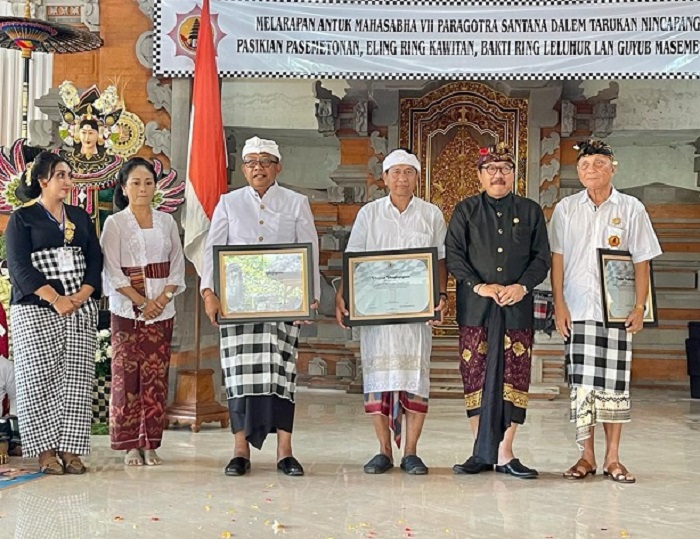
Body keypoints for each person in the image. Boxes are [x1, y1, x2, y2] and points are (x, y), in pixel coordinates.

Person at [201, 136, 320, 477]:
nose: (259, 168)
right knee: (239, 376)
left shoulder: (296, 202)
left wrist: (307, 299)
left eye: (265, 162)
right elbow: (213, 250)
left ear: (277, 166)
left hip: (283, 305)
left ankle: (285, 451)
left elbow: (308, 248)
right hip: (239, 306)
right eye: (252, 162)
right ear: (244, 169)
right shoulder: (229, 203)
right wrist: (210, 293)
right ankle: (240, 450)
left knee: (282, 375)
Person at [551, 139, 661, 484]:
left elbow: (642, 260)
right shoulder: (566, 209)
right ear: (577, 171)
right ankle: (586, 456)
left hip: (617, 311)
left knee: (614, 386)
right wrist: (559, 304)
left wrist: (639, 306)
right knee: (583, 386)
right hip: (578, 308)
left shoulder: (631, 208)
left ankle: (613, 458)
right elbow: (558, 260)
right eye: (584, 165)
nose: (591, 170)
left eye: (599, 164)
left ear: (613, 167)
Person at [335, 149, 448, 475]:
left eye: (408, 172)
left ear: (417, 177)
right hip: (377, 315)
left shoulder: (431, 214)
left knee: (415, 379)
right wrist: (343, 295)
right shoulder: (369, 214)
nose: (402, 178)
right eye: (395, 172)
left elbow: (440, 260)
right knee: (378, 379)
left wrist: (439, 295)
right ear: (384, 178)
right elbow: (353, 258)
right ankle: (383, 450)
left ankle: (411, 452)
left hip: (415, 317)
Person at [445, 143, 550, 479]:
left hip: (517, 308)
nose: (498, 174)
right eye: (491, 169)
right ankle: (480, 450)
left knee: (514, 377)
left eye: (505, 168)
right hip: (476, 308)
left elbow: (542, 258)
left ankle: (505, 452)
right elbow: (455, 255)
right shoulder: (465, 210)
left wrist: (522, 286)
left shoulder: (531, 211)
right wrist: (479, 285)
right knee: (475, 376)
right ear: (479, 176)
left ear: (514, 175)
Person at [5, 151, 102, 475]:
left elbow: (95, 259)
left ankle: (71, 450)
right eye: (61, 175)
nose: (68, 181)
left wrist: (82, 294)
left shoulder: (79, 216)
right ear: (42, 180)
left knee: (75, 379)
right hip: (36, 310)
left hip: (78, 308)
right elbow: (19, 267)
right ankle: (45, 452)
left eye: (69, 175)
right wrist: (55, 299)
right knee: (38, 380)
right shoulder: (22, 218)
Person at [101, 157, 186, 466]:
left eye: (148, 182)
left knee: (156, 377)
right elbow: (112, 269)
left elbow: (177, 264)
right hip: (127, 312)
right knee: (127, 377)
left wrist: (161, 299)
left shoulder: (167, 221)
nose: (142, 188)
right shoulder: (115, 223)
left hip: (161, 312)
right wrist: (140, 300)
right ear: (124, 188)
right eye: (135, 183)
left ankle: (150, 441)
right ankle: (128, 444)